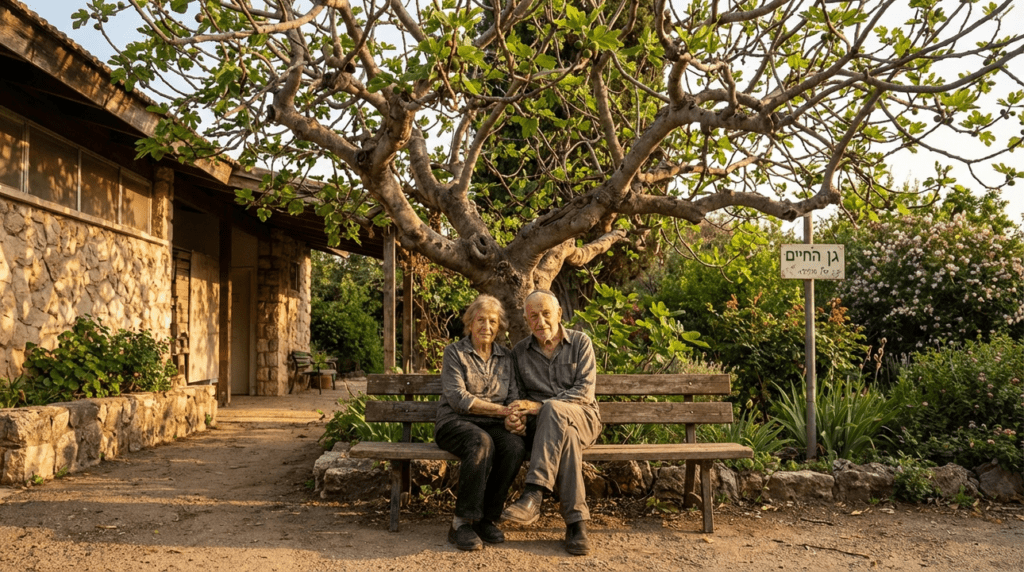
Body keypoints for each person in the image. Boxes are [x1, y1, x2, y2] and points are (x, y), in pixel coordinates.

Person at [501, 289, 602, 556]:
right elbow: (517, 397)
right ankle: (576, 524)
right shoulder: (519, 352)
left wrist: (541, 406)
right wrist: (515, 419)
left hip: (584, 417)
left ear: (559, 313)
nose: (541, 321)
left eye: (546, 313)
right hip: (544, 429)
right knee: (563, 434)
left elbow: (584, 392)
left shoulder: (581, 343)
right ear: (526, 319)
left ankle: (534, 493)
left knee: (556, 410)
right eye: (533, 316)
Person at [435, 294, 527, 551]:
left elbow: (513, 396)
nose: (487, 326)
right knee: (481, 442)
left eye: (493, 321)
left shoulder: (506, 357)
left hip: (493, 423)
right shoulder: (454, 353)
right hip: (455, 423)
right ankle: (461, 523)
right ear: (470, 323)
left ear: (499, 327)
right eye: (481, 320)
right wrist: (502, 412)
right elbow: (459, 398)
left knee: (514, 446)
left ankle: (487, 518)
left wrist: (514, 420)